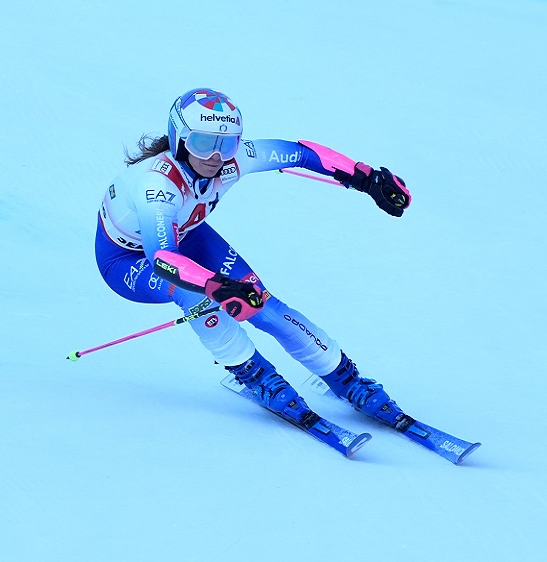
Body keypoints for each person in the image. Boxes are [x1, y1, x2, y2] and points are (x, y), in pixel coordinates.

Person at [95, 87, 413, 430]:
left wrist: (365, 177)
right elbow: (162, 258)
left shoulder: (234, 160)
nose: (215, 156)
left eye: (226, 144)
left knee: (261, 303)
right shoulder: (155, 188)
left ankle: (345, 378)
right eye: (203, 143)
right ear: (180, 139)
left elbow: (298, 153)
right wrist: (214, 286)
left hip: (186, 235)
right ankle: (258, 376)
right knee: (193, 294)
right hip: (128, 260)